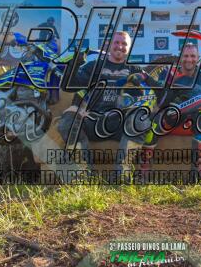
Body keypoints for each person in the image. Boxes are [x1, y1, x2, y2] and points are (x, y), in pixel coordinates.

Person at [57, 31, 155, 179]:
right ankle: (83, 174)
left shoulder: (135, 69)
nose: (120, 46)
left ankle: (122, 176)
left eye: (124, 44)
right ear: (109, 45)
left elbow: (154, 92)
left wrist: (145, 81)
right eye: (117, 42)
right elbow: (68, 86)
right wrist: (74, 64)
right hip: (94, 121)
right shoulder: (93, 66)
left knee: (141, 120)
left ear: (129, 48)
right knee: (67, 122)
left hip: (121, 124)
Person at [140, 43, 201, 181]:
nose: (189, 59)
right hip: (170, 118)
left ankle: (199, 169)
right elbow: (161, 98)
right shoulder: (169, 72)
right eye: (186, 56)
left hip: (193, 121)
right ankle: (144, 168)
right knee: (152, 121)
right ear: (180, 57)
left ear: (198, 58)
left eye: (193, 56)